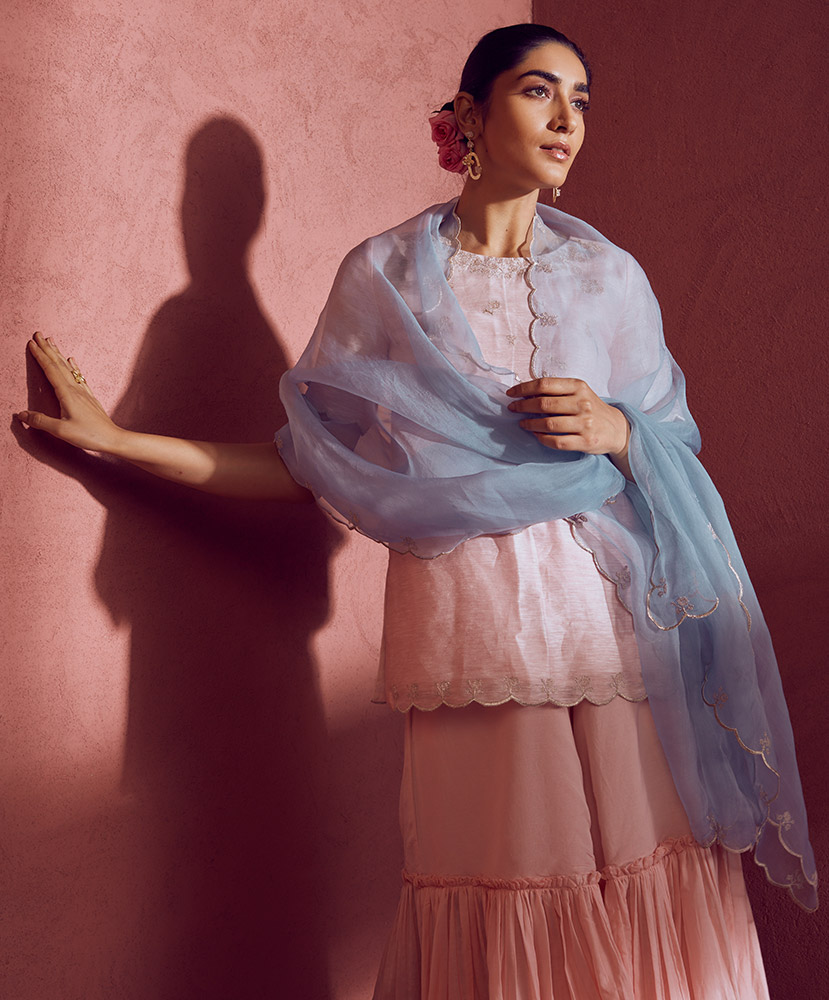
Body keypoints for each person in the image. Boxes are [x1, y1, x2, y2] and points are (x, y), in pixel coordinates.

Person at [16, 22, 816, 1000]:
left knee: (651, 876)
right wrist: (121, 440)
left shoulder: (608, 277)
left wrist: (619, 429)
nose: (567, 120)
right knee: (506, 885)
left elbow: (669, 442)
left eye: (580, 101)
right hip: (472, 631)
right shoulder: (386, 277)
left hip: (613, 630)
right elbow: (309, 464)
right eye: (538, 91)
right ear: (469, 115)